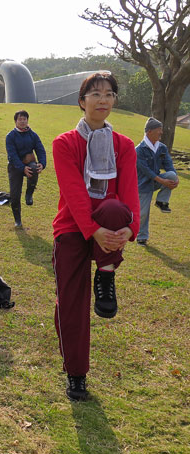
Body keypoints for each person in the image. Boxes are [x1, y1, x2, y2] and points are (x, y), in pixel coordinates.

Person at [52, 72, 140, 401]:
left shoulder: (124, 146)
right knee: (71, 304)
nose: (103, 99)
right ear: (82, 101)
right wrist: (93, 232)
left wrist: (130, 230)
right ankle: (76, 374)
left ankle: (106, 274)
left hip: (111, 224)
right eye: (95, 94)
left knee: (117, 207)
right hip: (74, 227)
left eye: (109, 94)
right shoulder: (65, 143)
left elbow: (131, 196)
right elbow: (74, 195)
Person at [135, 117, 179, 246]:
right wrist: (162, 181)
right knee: (143, 213)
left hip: (156, 181)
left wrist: (175, 179)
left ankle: (161, 201)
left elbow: (168, 164)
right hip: (142, 185)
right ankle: (141, 237)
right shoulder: (139, 150)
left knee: (171, 174)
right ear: (149, 131)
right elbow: (146, 171)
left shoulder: (162, 148)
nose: (161, 132)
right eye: (159, 130)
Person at [5, 110, 46, 227]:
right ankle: (17, 220)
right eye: (20, 119)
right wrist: (22, 168)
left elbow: (40, 150)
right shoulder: (10, 136)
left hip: (29, 164)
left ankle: (29, 194)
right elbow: (12, 155)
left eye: (24, 119)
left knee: (34, 167)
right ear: (15, 121)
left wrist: (42, 163)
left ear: (27, 120)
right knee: (14, 194)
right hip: (15, 167)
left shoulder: (33, 135)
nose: (22, 121)